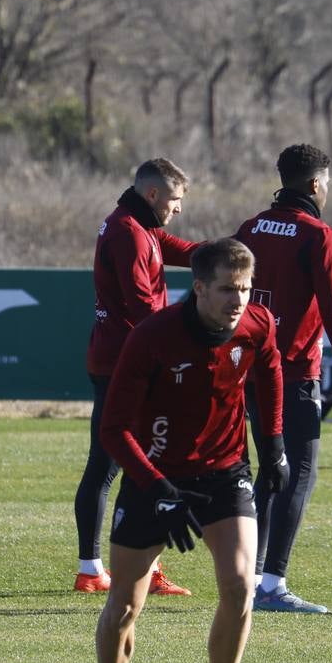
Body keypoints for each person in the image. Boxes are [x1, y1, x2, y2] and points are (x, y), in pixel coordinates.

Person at [86, 238, 286, 663]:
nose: (237, 299)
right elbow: (114, 430)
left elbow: (270, 373)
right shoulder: (152, 338)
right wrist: (157, 488)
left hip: (224, 473)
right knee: (125, 606)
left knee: (242, 586)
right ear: (199, 288)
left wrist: (276, 448)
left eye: (244, 288)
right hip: (154, 475)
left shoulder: (257, 324)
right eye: (226, 289)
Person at [233, 142, 332, 614]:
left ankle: (248, 579)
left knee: (264, 469)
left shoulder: (251, 227)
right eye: (327, 182)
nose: (327, 190)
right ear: (315, 184)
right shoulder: (319, 235)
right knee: (298, 473)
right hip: (291, 374)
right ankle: (272, 584)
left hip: (245, 370)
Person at [77, 158, 199, 597]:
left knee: (136, 465)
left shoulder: (138, 225)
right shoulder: (129, 231)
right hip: (124, 364)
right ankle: (94, 569)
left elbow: (178, 248)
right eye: (176, 199)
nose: (179, 208)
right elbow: (142, 305)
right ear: (153, 195)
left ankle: (131, 568)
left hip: (122, 359)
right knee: (113, 467)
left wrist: (227, 254)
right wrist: (187, 338)